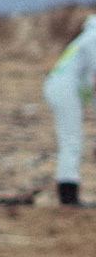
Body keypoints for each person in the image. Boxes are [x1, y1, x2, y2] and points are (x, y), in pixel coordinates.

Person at [46, 12, 96, 206]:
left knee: (70, 140)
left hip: (61, 87)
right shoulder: (94, 37)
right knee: (71, 140)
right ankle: (68, 197)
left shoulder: (87, 35)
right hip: (64, 90)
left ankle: (68, 195)